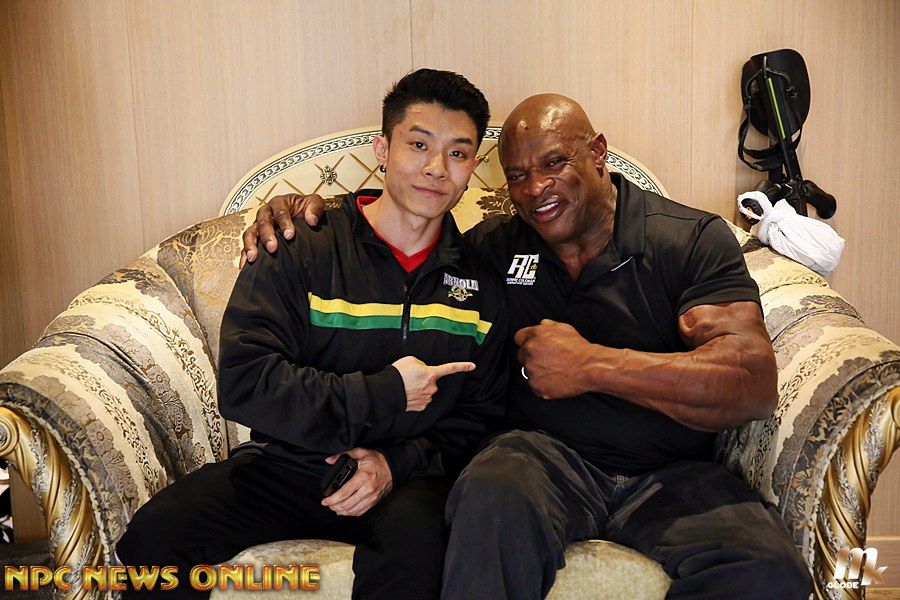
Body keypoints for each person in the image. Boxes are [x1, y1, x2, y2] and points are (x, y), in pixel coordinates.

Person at [243, 94, 813, 599]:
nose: (535, 189)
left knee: (768, 570)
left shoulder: (688, 238)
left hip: (675, 472)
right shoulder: (493, 249)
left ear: (598, 153)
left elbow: (752, 383)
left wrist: (592, 365)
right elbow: (401, 239)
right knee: (490, 494)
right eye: (516, 175)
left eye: (554, 163)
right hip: (540, 461)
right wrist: (301, 216)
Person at [115, 69, 507, 600]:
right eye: (418, 144)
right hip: (289, 465)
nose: (436, 168)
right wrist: (384, 392)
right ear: (383, 149)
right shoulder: (300, 244)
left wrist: (395, 464)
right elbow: (246, 382)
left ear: (473, 167)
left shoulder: (481, 279)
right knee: (155, 540)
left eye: (458, 153)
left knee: (420, 556)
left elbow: (482, 416)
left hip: (409, 480)